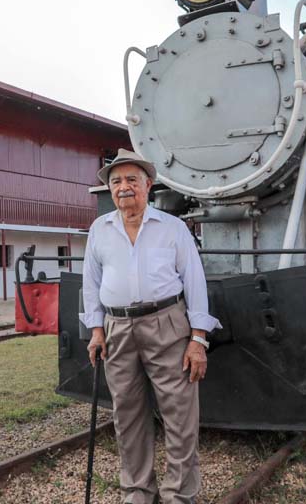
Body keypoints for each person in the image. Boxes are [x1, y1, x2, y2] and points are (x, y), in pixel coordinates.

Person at [81, 148, 220, 504]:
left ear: (148, 185)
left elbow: (195, 281)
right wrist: (96, 330)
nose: (123, 187)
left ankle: (179, 495)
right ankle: (138, 492)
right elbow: (91, 283)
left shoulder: (172, 227)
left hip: (167, 324)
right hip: (117, 329)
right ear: (110, 190)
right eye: (116, 182)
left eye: (131, 180)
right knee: (127, 416)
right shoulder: (100, 229)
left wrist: (198, 339)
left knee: (179, 415)